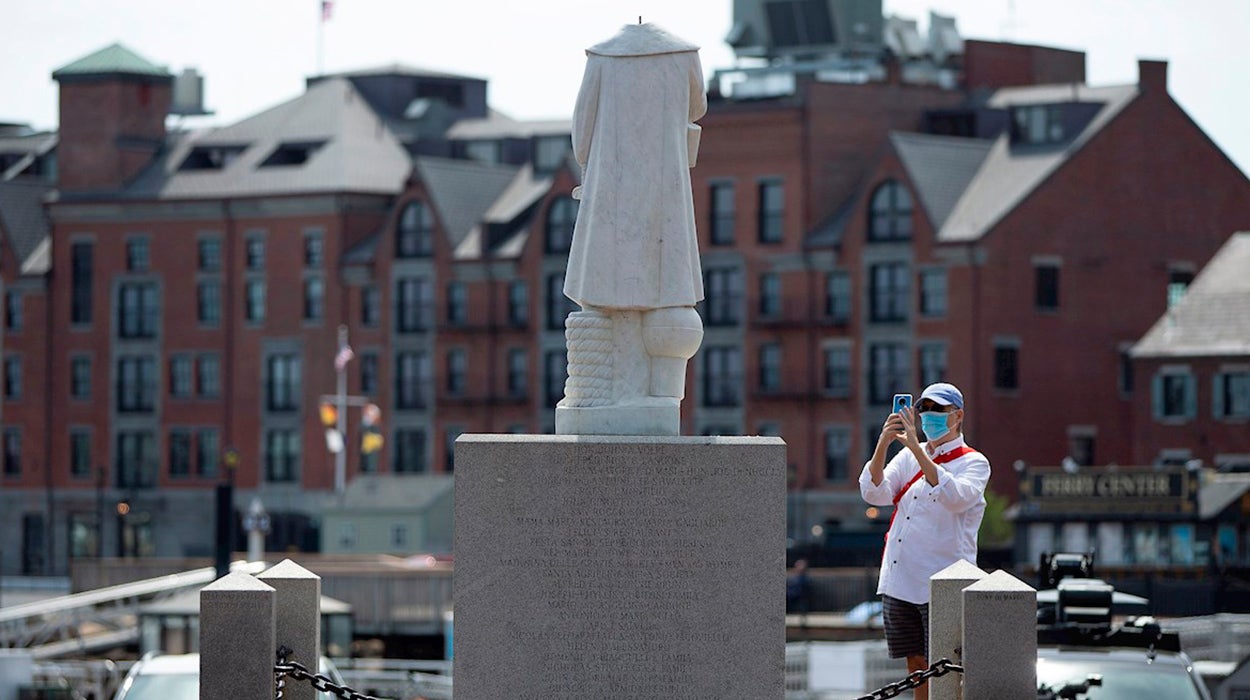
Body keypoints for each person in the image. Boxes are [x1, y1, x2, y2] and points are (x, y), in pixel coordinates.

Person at [859, 382, 990, 700]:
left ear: (957, 416)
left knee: (946, 665)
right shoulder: (906, 458)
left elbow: (956, 498)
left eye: (938, 410)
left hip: (942, 580)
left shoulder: (974, 462)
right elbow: (875, 493)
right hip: (901, 579)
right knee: (915, 663)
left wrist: (918, 449)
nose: (928, 416)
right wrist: (884, 443)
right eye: (925, 409)